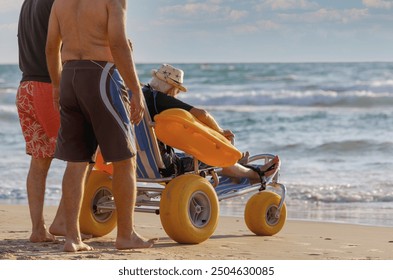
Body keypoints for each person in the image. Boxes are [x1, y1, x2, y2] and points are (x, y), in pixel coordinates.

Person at [46, 0, 156, 252]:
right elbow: (117, 43)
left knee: (77, 161)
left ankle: (72, 238)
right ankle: (126, 235)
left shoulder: (59, 3)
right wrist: (136, 88)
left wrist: (56, 84)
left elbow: (51, 47)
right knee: (125, 159)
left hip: (70, 77)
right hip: (101, 76)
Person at [142, 64, 280, 183]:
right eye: (177, 91)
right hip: (166, 167)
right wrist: (219, 132)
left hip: (140, 164)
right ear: (171, 88)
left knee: (194, 153)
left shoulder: (139, 95)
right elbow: (203, 114)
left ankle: (235, 168)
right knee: (210, 155)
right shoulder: (159, 99)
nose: (176, 95)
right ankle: (254, 174)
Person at [16, 0, 61, 243]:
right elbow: (58, 45)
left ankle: (38, 229)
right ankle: (63, 221)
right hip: (49, 85)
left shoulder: (27, 3)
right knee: (83, 155)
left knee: (39, 160)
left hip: (26, 87)